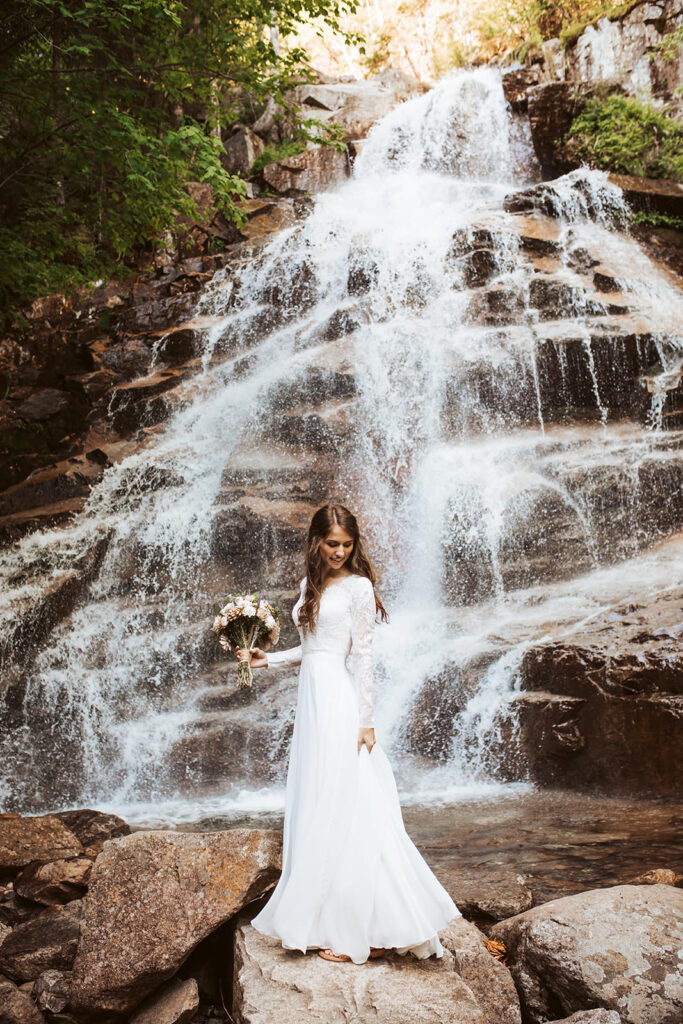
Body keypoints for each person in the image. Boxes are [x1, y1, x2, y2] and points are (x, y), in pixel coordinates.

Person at [235, 502, 460, 964]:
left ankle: (365, 932)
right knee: (321, 801)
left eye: (346, 544)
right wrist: (266, 660)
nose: (338, 551)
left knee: (351, 803)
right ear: (316, 541)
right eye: (331, 543)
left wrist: (367, 719)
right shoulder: (310, 585)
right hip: (312, 703)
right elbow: (313, 649)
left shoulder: (359, 588)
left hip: (339, 702)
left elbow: (361, 657)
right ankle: (325, 919)